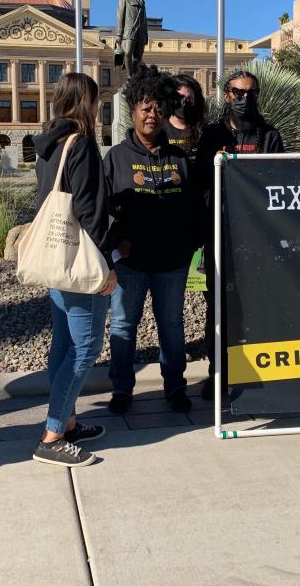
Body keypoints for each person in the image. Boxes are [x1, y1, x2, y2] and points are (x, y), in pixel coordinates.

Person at [103, 66, 204, 415]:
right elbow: (104, 210)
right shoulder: (116, 158)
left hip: (172, 262)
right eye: (146, 108)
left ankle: (175, 387)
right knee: (123, 327)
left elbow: (194, 206)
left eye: (159, 108)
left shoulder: (179, 158)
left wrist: (189, 243)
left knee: (172, 327)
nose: (153, 115)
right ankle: (121, 390)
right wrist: (117, 242)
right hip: (130, 264)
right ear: (132, 110)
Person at [32, 72, 117, 467]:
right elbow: (88, 210)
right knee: (85, 348)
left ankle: (66, 422)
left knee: (64, 346)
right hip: (80, 261)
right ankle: (51, 436)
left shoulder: (49, 145)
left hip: (56, 261)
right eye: (96, 101)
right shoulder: (79, 144)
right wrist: (105, 264)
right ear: (87, 103)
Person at [196, 70, 285, 401]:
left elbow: (280, 184)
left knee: (256, 306)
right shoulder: (212, 134)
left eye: (250, 93)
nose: (243, 99)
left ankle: (256, 375)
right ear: (227, 95)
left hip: (257, 239)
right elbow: (202, 184)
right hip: (219, 237)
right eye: (237, 92)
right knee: (217, 309)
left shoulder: (269, 135)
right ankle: (217, 374)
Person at [163, 73, 207, 165]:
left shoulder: (204, 130)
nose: (184, 103)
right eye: (179, 98)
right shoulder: (159, 130)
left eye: (189, 99)